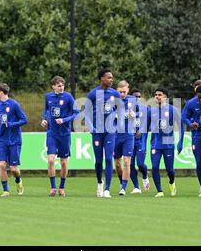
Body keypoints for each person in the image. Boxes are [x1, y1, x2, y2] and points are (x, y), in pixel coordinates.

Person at [84, 68, 120, 198]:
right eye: (109, 77)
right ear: (102, 79)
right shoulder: (93, 93)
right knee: (98, 161)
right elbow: (86, 112)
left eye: (112, 78)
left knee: (109, 158)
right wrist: (90, 127)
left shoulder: (115, 94)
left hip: (110, 131)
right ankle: (100, 183)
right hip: (97, 132)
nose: (111, 80)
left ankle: (108, 190)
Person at [41, 76, 79, 197]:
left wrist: (64, 120)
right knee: (51, 160)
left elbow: (76, 112)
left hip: (64, 134)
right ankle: (53, 187)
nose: (61, 87)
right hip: (52, 132)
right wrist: (44, 119)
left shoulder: (68, 97)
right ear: (53, 86)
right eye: (58, 85)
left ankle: (62, 187)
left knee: (63, 162)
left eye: (62, 85)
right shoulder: (48, 96)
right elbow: (46, 109)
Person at [0, 83, 28, 197]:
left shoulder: (14, 104)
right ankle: (6, 190)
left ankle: (18, 181)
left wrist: (11, 124)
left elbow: (24, 120)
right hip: (2, 139)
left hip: (14, 140)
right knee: (2, 164)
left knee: (13, 169)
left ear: (1, 92)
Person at [150, 87, 183, 197]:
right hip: (155, 144)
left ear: (165, 97)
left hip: (168, 143)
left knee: (170, 170)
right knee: (154, 167)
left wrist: (180, 142)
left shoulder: (173, 110)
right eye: (156, 95)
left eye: (159, 95)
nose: (157, 97)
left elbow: (181, 126)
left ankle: (172, 182)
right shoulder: (151, 111)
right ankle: (160, 191)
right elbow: (144, 129)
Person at [114, 80, 137, 195]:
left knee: (127, 161)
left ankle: (123, 187)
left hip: (128, 135)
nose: (122, 94)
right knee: (117, 163)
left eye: (124, 92)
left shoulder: (132, 100)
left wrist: (134, 116)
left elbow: (139, 113)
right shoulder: (112, 101)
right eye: (120, 92)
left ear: (128, 90)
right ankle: (121, 181)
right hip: (116, 135)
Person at [129, 88, 151, 193]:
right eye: (135, 96)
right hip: (129, 140)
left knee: (140, 163)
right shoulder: (126, 109)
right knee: (130, 164)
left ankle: (145, 176)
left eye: (139, 96)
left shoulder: (145, 109)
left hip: (141, 141)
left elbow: (150, 124)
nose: (137, 98)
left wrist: (142, 130)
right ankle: (136, 187)